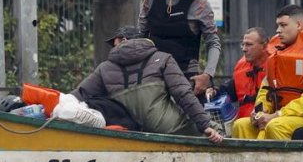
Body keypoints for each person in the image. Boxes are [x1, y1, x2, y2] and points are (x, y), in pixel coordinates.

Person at [70, 26, 223, 143]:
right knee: (216, 129)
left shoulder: (104, 68)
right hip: (168, 128)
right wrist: (205, 125)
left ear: (123, 40)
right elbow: (183, 94)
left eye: (113, 42)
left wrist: (53, 110)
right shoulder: (163, 58)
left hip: (130, 130)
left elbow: (79, 95)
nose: (112, 47)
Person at [231, 4, 303, 140]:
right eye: (277, 25)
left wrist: (276, 115)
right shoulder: (276, 56)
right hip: (279, 115)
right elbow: (266, 89)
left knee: (275, 125)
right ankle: (252, 161)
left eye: (283, 25)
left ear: (299, 25)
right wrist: (259, 112)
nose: (278, 30)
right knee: (241, 124)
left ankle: (282, 161)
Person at [139, 0, 221, 96]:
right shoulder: (150, 0)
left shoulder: (200, 5)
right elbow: (140, 38)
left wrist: (207, 75)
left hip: (186, 79)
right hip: (152, 77)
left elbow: (213, 42)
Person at [205, 27, 270, 120]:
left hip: (267, 122)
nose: (244, 49)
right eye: (242, 45)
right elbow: (232, 89)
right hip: (243, 124)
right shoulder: (242, 68)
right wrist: (215, 91)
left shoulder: (275, 66)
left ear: (264, 46)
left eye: (249, 45)